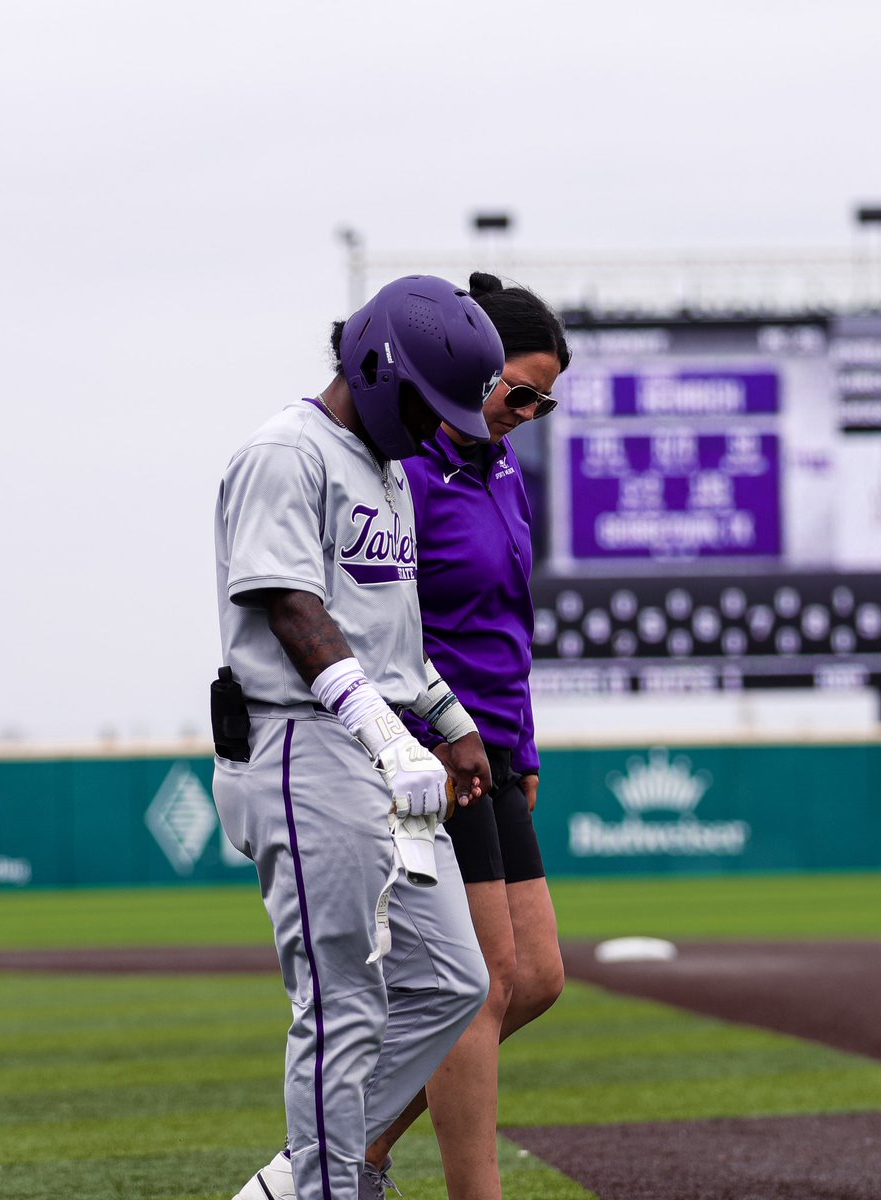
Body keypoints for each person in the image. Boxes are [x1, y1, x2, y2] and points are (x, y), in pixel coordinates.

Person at [213, 275, 505, 1200]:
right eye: (431, 404)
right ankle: (333, 1184)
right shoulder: (285, 452)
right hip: (301, 745)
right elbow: (291, 609)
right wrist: (385, 734)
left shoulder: (382, 469)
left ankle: (301, 1174)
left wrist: (449, 724)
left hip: (380, 753)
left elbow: (394, 642)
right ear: (379, 366)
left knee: (454, 981)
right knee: (339, 1001)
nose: (439, 428)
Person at [364, 272, 571, 1200]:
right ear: (473, 373)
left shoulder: (502, 474)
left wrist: (522, 749)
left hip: (496, 752)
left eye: (544, 399)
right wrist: (418, 742)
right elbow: (384, 629)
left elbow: (507, 626)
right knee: (482, 986)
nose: (528, 411)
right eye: (517, 391)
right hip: (433, 753)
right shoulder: (401, 475)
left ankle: (349, 1145)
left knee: (537, 982)